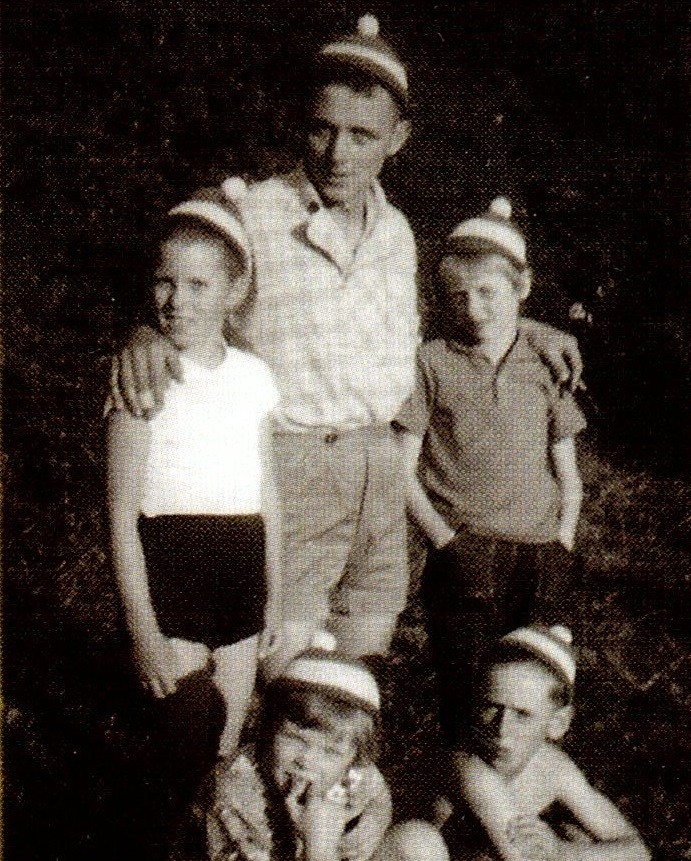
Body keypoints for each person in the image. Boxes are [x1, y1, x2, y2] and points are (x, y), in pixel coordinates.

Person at [110, 16, 584, 674]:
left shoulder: (396, 234)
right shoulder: (259, 213)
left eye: (362, 134)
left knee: (357, 673)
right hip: (294, 467)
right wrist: (143, 327)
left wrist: (531, 327)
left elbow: (454, 320)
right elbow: (187, 270)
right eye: (321, 128)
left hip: (382, 468)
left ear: (397, 138)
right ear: (299, 123)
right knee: (288, 676)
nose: (338, 152)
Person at [395, 198, 587, 745]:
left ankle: (529, 805)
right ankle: (462, 807)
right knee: (469, 694)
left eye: (488, 292)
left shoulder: (546, 362)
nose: (474, 309)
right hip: (466, 552)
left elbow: (568, 474)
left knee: (534, 690)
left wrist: (563, 543)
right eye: (459, 295)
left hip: (541, 555)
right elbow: (402, 469)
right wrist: (447, 542)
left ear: (521, 288)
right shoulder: (429, 362)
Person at [107, 188, 282, 764]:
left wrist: (273, 601)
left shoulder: (254, 378)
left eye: (198, 285)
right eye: (165, 281)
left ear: (234, 293)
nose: (176, 300)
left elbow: (268, 497)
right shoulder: (139, 378)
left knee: (226, 739)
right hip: (169, 569)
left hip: (240, 568)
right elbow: (122, 519)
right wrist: (142, 630)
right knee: (178, 730)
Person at [202, 631, 449, 861]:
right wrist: (319, 844)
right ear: (268, 730)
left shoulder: (356, 773)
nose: (306, 759)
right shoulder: (240, 786)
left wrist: (373, 822)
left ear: (355, 756)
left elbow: (376, 796)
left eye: (331, 751)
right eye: (295, 738)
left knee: (419, 841)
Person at [437, 625, 650, 861]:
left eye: (522, 714)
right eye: (491, 708)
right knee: (416, 839)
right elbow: (520, 856)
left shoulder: (552, 767)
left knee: (576, 840)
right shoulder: (469, 766)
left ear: (557, 723)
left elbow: (636, 850)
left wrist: (562, 851)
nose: (501, 729)